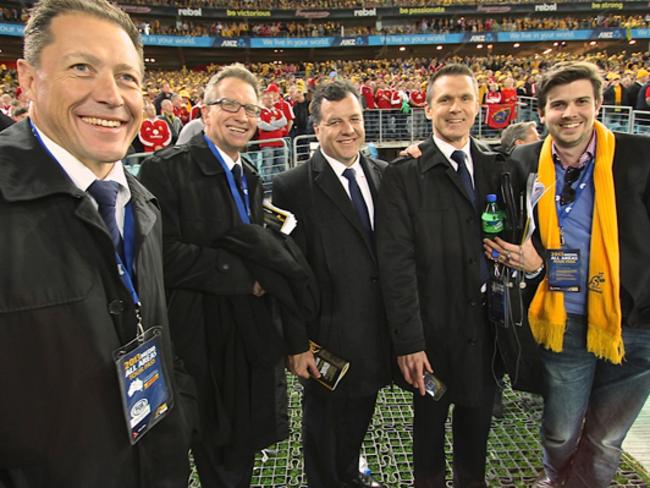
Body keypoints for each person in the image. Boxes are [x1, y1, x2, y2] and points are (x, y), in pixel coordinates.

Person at [0, 0, 196, 486]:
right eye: (82, 68)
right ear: (27, 79)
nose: (112, 96)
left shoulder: (141, 203)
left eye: (128, 77)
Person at [139, 63, 310, 488]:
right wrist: (245, 276)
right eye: (229, 104)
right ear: (203, 111)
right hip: (194, 337)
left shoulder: (249, 176)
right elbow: (160, 254)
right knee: (184, 454)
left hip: (243, 333)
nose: (242, 116)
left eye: (251, 109)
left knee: (236, 453)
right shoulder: (166, 168)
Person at [484, 61, 650, 488]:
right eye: (558, 104)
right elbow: (479, 183)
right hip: (563, 317)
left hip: (635, 322)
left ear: (597, 104)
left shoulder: (640, 155)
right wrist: (415, 156)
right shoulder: (522, 161)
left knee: (606, 438)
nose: (570, 112)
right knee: (559, 430)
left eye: (580, 101)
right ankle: (557, 477)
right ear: (542, 112)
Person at [376, 64, 509, 488]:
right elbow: (396, 266)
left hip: (486, 339)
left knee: (476, 440)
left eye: (465, 98)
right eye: (446, 100)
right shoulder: (402, 175)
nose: (456, 108)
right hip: (430, 344)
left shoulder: (501, 169)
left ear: (479, 105)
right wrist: (409, 342)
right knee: (428, 441)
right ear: (428, 107)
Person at [272, 80, 392, 488]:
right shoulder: (292, 185)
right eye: (335, 122)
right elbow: (287, 273)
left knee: (359, 420)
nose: (348, 130)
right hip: (324, 342)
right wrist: (296, 343)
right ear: (316, 128)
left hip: (376, 335)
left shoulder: (383, 174)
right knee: (322, 434)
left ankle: (349, 478)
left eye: (355, 119)